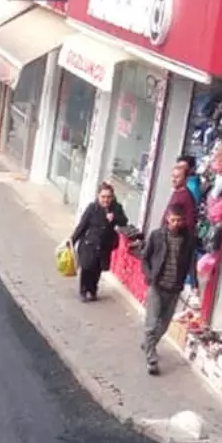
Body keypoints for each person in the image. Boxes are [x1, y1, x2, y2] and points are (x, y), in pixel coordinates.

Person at [140, 205, 200, 376]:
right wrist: (150, 275)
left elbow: (190, 263)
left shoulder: (187, 240)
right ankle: (151, 359)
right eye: (173, 220)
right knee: (151, 323)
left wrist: (194, 283)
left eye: (179, 220)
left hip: (174, 288)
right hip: (157, 285)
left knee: (164, 324)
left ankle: (148, 343)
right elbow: (145, 258)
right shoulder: (157, 236)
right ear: (167, 218)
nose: (176, 223)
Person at [67, 182, 129, 302]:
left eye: (108, 197)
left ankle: (93, 289)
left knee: (97, 269)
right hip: (89, 244)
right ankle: (83, 290)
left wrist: (115, 218)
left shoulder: (116, 208)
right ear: (98, 196)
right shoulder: (92, 208)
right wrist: (72, 240)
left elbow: (124, 221)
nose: (106, 200)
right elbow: (82, 225)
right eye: (103, 197)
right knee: (86, 268)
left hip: (104, 245)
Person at [163, 157, 198, 230]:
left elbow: (190, 223)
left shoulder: (186, 197)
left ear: (186, 179)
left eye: (177, 177)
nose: (173, 180)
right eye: (173, 176)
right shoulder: (176, 192)